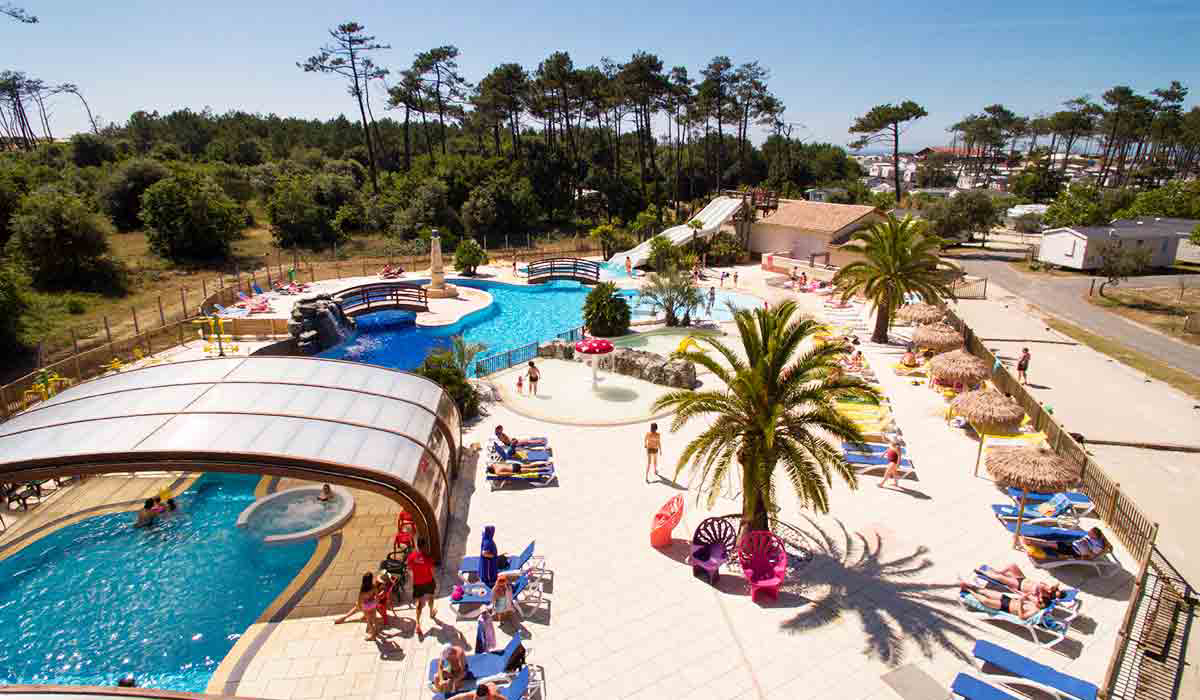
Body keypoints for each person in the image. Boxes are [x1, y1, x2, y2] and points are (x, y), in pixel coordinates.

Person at [976, 563, 1066, 606]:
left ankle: (983, 573)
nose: (1054, 593)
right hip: (1023, 579)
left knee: (1000, 578)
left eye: (1055, 595)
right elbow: (1042, 584)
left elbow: (1031, 597)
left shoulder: (1043, 598)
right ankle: (998, 572)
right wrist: (1052, 587)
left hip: (1019, 585)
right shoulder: (1049, 589)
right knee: (1012, 566)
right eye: (1056, 592)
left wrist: (1041, 594)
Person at [959, 580, 1050, 620]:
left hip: (1005, 606)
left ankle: (968, 590)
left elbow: (1022, 617)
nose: (1038, 601)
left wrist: (1020, 603)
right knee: (986, 591)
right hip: (1009, 599)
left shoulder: (1035, 610)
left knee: (985, 601)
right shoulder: (1036, 603)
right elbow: (1027, 596)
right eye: (1040, 600)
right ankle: (970, 585)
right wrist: (1024, 596)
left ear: (1043, 606)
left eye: (1040, 602)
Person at [408, 536, 438, 638]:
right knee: (431, 597)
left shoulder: (411, 557)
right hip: (428, 581)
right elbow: (432, 570)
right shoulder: (428, 558)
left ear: (417, 545)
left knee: (419, 603)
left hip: (417, 583)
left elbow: (410, 568)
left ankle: (417, 623)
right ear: (424, 546)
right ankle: (431, 612)